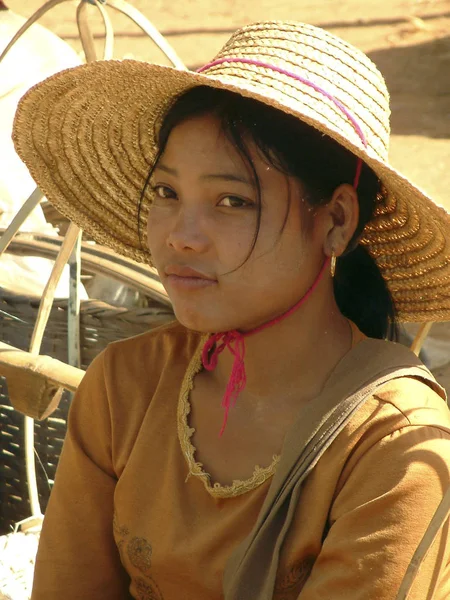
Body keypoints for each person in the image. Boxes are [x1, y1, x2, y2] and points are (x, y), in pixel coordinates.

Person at [12, 20, 450, 600]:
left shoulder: (396, 447)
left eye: (232, 201)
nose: (181, 237)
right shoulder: (125, 386)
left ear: (337, 221)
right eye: (167, 193)